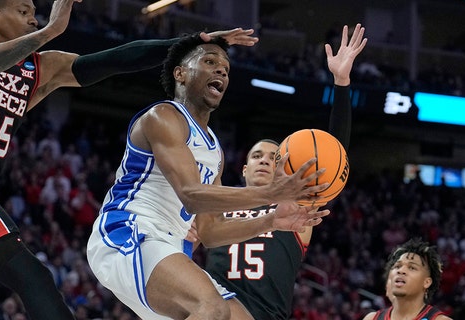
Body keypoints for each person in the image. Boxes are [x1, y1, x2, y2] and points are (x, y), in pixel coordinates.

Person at [0, 0, 260, 319]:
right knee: (33, 276)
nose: (34, 18)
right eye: (24, 10)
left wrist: (192, 42)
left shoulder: (39, 67)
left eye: (36, 14)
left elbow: (113, 60)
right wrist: (49, 32)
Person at [86, 32, 332, 320]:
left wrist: (270, 220)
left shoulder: (215, 150)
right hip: (129, 230)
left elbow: (210, 231)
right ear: (180, 73)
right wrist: (270, 194)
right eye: (209, 61)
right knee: (211, 307)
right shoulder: (163, 116)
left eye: (226, 69)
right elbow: (191, 196)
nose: (221, 71)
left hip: (168, 245)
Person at [199, 23, 367, 320]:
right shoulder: (220, 201)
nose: (265, 160)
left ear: (285, 169)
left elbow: (332, 158)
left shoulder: (295, 206)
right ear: (245, 168)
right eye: (257, 155)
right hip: (215, 307)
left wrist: (341, 82)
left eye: (274, 157)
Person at [362, 238, 452, 320]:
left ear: (427, 282)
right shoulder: (372, 318)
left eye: (412, 267)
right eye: (397, 266)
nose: (401, 271)